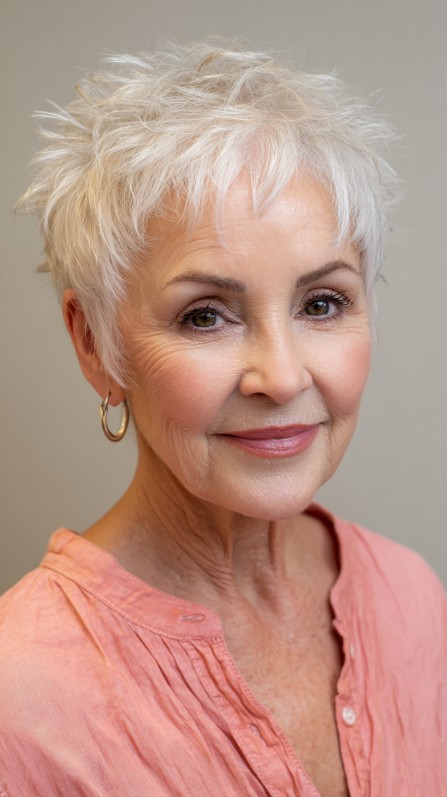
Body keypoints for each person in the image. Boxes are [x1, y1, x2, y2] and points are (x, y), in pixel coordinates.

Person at [0, 40, 445, 797]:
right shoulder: (22, 697)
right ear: (94, 344)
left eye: (322, 303)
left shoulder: (411, 597)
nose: (282, 376)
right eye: (205, 315)